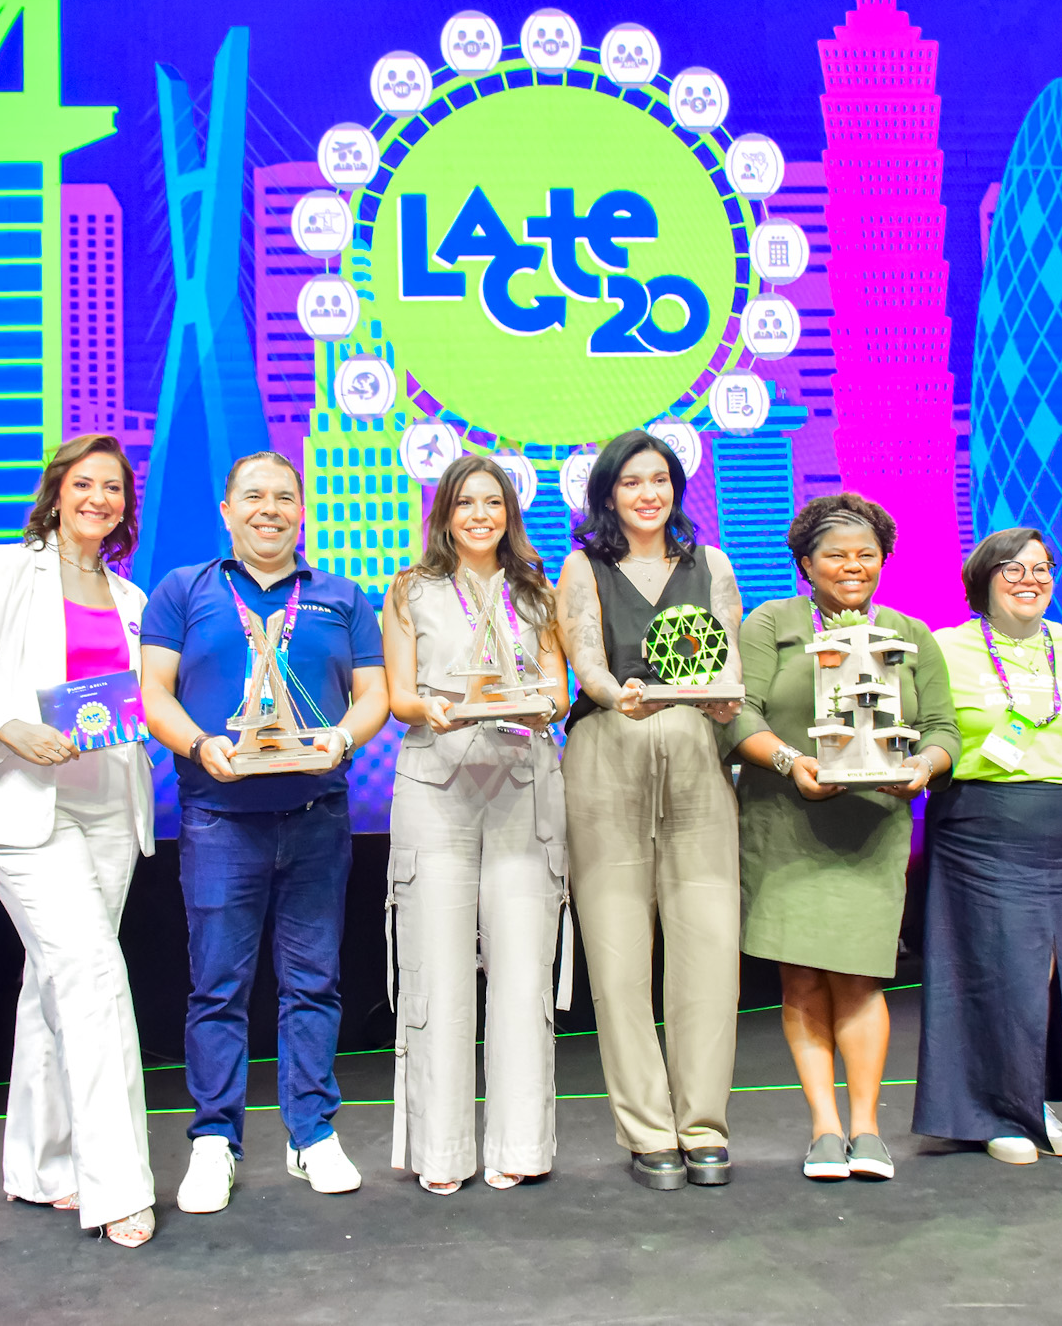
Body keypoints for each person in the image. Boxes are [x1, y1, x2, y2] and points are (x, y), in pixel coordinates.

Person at [138, 451, 391, 1213]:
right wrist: (198, 745)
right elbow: (153, 691)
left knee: (313, 982)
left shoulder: (341, 597)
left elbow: (374, 693)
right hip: (220, 818)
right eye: (254, 496)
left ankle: (311, 1131)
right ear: (227, 510)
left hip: (316, 816)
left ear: (302, 510)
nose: (270, 509)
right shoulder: (185, 590)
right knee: (218, 986)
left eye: (285, 496)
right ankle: (215, 1137)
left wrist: (343, 739)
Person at [0, 434, 157, 1248]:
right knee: (91, 973)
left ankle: (42, 1164)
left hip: (106, 812)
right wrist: (9, 729)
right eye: (85, 483)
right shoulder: (8, 570)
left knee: (51, 982)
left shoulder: (130, 600)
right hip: (21, 811)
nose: (99, 498)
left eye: (114, 488)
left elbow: (134, 705)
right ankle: (117, 1185)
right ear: (58, 490)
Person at [725, 493, 958, 1182]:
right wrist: (791, 763)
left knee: (858, 979)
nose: (852, 566)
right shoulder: (772, 622)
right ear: (806, 563)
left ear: (884, 560)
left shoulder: (912, 633)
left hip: (873, 825)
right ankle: (825, 1129)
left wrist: (920, 766)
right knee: (801, 979)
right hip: (786, 823)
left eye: (866, 554)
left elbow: (945, 729)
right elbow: (741, 713)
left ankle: (867, 1129)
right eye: (835, 554)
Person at [556, 429, 745, 1191]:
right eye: (631, 481)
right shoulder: (583, 566)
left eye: (659, 479)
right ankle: (647, 1130)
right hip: (610, 750)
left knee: (709, 952)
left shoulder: (714, 564)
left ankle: (703, 1125)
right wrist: (615, 693)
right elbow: (587, 662)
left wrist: (728, 698)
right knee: (619, 955)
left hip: (698, 754)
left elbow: (727, 655)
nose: (647, 493)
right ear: (607, 493)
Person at [381, 455, 571, 1195]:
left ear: (510, 512)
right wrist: (430, 707)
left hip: (524, 783)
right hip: (437, 783)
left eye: (493, 502)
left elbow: (556, 687)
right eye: (466, 502)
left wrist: (541, 704)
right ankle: (443, 1148)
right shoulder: (410, 590)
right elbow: (399, 694)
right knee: (438, 969)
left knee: (524, 971)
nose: (480, 515)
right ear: (445, 512)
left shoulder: (536, 590)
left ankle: (521, 1142)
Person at [914, 527, 1062, 1165]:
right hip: (982, 826)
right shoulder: (946, 647)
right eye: (1013, 570)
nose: (1031, 581)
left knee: (1057, 977)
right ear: (984, 580)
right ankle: (998, 1113)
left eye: (1042, 569)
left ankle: (1037, 1100)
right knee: (998, 973)